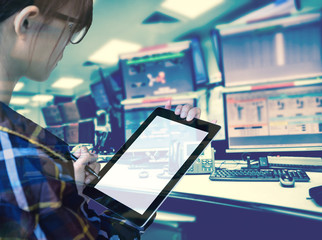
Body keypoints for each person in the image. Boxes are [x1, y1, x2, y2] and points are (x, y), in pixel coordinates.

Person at [0, 0, 201, 239]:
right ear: (27, 22)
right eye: (71, 27)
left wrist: (72, 194)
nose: (68, 43)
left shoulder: (19, 138)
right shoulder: (15, 149)